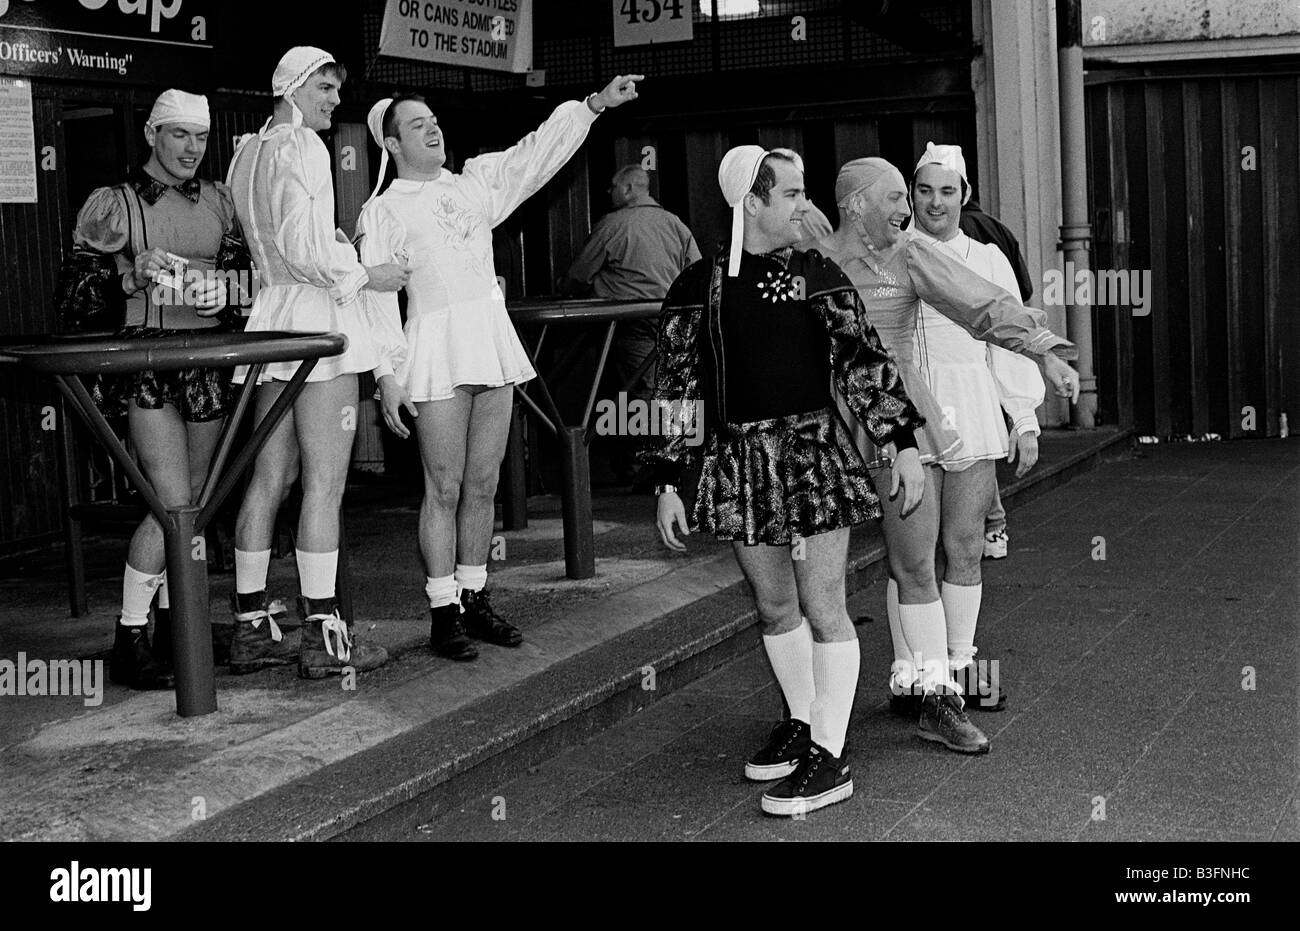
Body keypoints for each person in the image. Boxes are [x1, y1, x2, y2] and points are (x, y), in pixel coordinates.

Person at [643, 145, 926, 816]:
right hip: (738, 460)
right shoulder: (696, 287)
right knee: (775, 606)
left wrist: (903, 443)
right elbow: (679, 386)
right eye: (792, 193)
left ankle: (831, 755)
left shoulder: (811, 273)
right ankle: (804, 723)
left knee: (824, 605)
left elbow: (863, 357)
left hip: (812, 455)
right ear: (753, 200)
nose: (805, 205)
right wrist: (669, 477)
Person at [357, 76, 643, 661]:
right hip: (435, 349)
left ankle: (474, 597)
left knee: (482, 485)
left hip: (488, 342)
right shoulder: (381, 210)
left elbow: (535, 155)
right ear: (391, 144)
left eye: (433, 118)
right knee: (444, 486)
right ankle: (442, 614)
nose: (434, 127)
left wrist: (591, 106)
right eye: (417, 124)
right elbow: (375, 298)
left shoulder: (475, 185)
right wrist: (387, 375)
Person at [812, 156, 1078, 754]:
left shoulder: (909, 253)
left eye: (915, 196)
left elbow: (981, 304)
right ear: (855, 206)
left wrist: (1044, 351)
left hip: (901, 424)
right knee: (806, 587)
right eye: (897, 198)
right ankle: (812, 717)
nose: (910, 210)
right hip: (820, 428)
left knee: (916, 564)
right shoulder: (813, 258)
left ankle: (938, 695)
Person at [225, 47, 409, 679]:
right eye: (325, 88)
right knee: (325, 483)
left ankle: (250, 626)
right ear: (295, 88)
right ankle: (323, 637)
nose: (334, 100)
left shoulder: (247, 149)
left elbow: (276, 243)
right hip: (312, 319)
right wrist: (366, 271)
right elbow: (307, 249)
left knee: (268, 479)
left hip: (268, 320)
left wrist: (327, 250)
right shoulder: (301, 146)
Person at [56, 89, 246, 690]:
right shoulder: (112, 205)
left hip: (207, 365)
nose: (192, 148)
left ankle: (173, 626)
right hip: (145, 367)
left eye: (200, 136)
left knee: (192, 502)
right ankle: (129, 633)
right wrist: (127, 273)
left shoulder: (221, 200)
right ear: (152, 135)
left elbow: (252, 288)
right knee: (173, 505)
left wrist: (230, 292)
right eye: (179, 135)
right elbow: (72, 300)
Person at [905, 142, 1046, 711]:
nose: (934, 202)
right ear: (910, 195)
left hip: (973, 412)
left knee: (963, 545)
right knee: (910, 558)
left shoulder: (989, 259)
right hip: (909, 419)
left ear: (964, 196)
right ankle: (915, 674)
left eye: (946, 191)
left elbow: (1010, 340)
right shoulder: (893, 254)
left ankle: (961, 668)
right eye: (923, 190)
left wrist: (1025, 418)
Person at [560, 165, 700, 485]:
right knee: (670, 390)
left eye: (612, 187)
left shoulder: (612, 225)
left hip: (630, 323)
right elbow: (696, 271)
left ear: (627, 189)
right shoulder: (675, 224)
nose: (608, 193)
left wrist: (564, 287)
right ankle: (673, 467)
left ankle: (643, 469)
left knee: (639, 392)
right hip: (672, 320)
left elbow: (579, 276)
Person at [960, 191, 1035, 560]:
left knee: (977, 444)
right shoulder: (999, 229)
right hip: (994, 348)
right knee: (985, 441)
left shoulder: (961, 235)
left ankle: (991, 523)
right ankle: (994, 526)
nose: (936, 202)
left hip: (976, 354)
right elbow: (1022, 290)